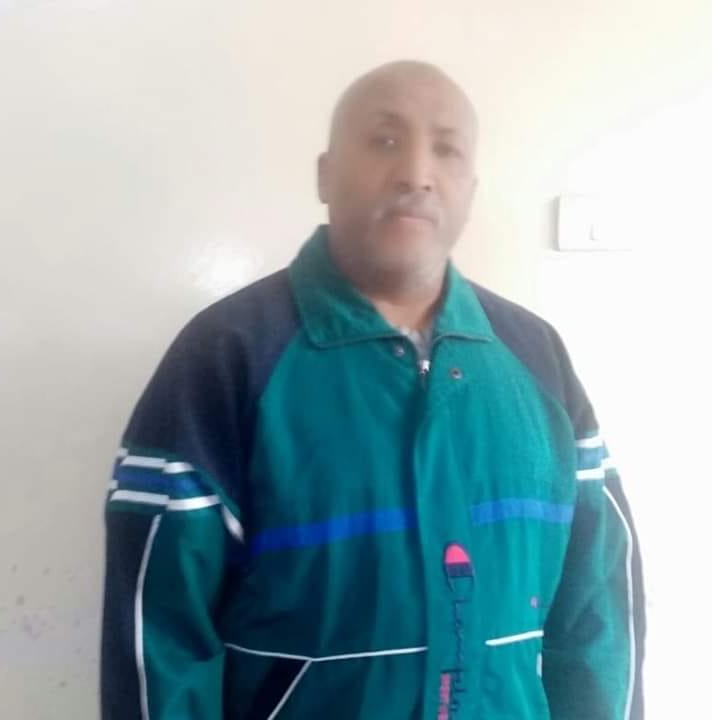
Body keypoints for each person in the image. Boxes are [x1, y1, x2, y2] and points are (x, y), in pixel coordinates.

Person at [101, 60, 645, 720]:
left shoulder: (537, 360)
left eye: (446, 149)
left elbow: (597, 617)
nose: (416, 172)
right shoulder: (228, 356)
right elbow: (159, 638)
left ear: (470, 190)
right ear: (325, 174)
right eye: (385, 140)